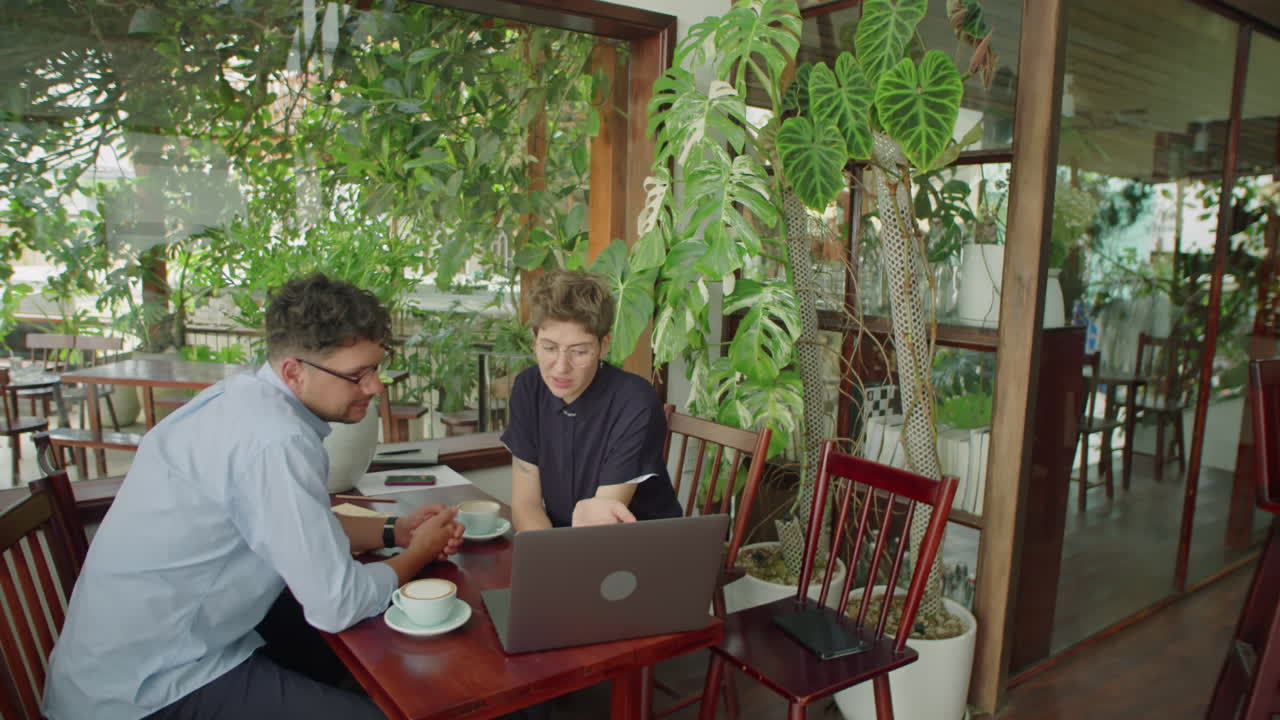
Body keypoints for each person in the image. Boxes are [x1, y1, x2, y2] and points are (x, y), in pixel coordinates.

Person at [42, 273, 464, 720]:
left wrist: (394, 529)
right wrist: (418, 553)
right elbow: (338, 604)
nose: (375, 386)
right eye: (357, 374)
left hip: (145, 658)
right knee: (379, 685)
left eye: (376, 368)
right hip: (148, 689)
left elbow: (295, 525)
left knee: (356, 657)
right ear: (294, 371)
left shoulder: (244, 399)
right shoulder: (274, 441)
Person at [502, 269, 681, 531]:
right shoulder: (528, 388)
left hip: (641, 545)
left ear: (603, 345)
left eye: (580, 351)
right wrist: (545, 556)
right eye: (549, 348)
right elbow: (526, 504)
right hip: (563, 543)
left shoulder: (634, 401)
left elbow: (600, 520)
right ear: (534, 340)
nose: (561, 368)